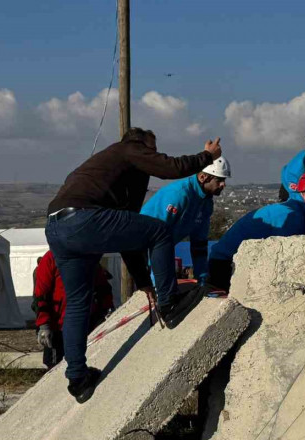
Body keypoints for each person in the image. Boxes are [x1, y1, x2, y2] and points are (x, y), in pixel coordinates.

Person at [45, 127, 220, 402]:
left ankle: (78, 379)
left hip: (57, 227)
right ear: (141, 144)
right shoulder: (128, 149)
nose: (151, 154)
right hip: (84, 219)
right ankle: (170, 304)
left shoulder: (112, 173)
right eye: (151, 148)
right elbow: (170, 167)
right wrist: (205, 156)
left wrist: (144, 283)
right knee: (160, 231)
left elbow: (128, 238)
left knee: (78, 303)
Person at [208, 170, 305, 291]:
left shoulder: (298, 212)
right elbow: (287, 264)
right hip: (226, 267)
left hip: (228, 263)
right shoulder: (292, 218)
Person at [140, 157, 231, 283]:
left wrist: (202, 280)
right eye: (219, 180)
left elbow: (199, 244)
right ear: (203, 177)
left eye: (224, 180)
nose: (223, 184)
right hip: (142, 246)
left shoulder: (206, 203)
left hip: (162, 247)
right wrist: (157, 279)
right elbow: (156, 238)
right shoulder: (179, 195)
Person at [33, 250, 113, 369]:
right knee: (56, 367)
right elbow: (41, 295)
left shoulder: (88, 255)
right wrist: (44, 324)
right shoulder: (50, 258)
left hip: (86, 324)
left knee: (87, 362)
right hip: (58, 327)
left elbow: (102, 287)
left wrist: (108, 309)